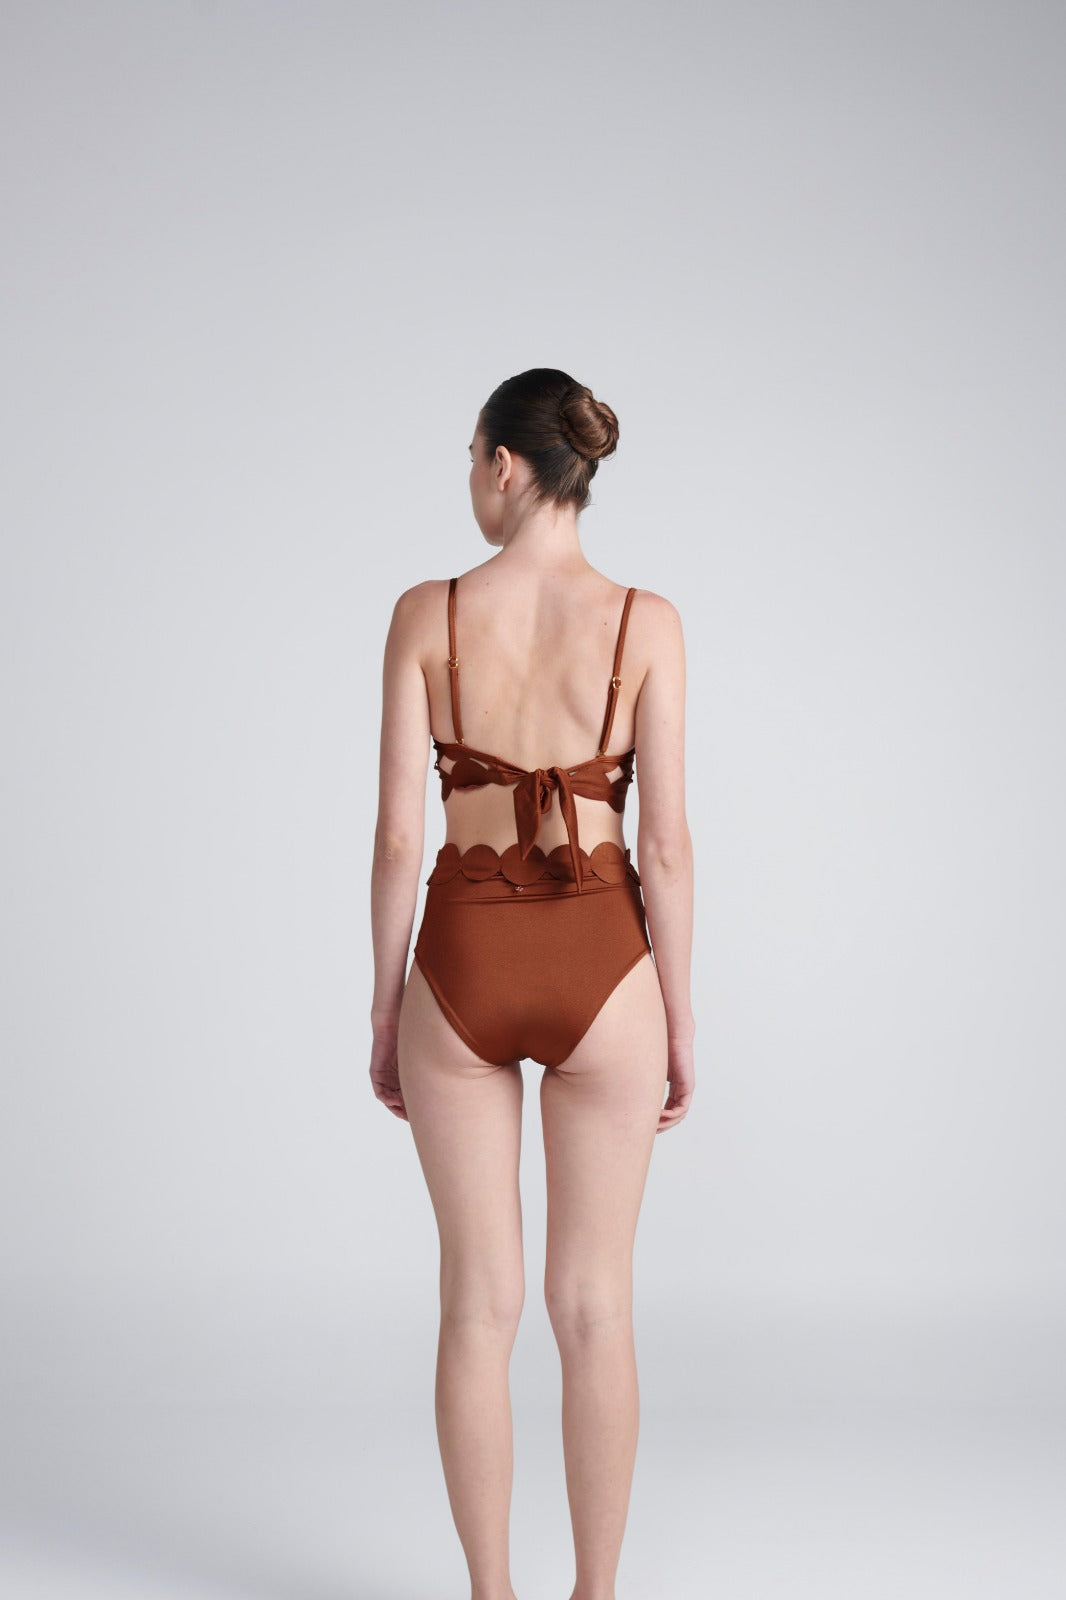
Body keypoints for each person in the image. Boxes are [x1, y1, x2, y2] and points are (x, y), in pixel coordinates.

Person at [369, 367, 695, 1600]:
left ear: (505, 465)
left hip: (461, 957)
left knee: (477, 1306)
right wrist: (681, 1018)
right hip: (604, 963)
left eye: (471, 458)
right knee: (595, 1307)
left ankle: (490, 1595)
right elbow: (665, 845)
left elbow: (397, 838)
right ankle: (595, 1596)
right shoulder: (646, 621)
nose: (470, 478)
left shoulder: (427, 613)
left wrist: (386, 1006)